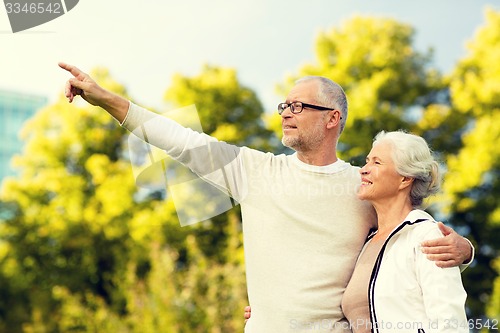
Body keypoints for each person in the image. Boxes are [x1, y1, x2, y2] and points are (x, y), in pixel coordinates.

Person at [59, 63, 473, 333]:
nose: (286, 112)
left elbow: (409, 234)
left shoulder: (362, 185)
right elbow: (181, 141)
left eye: (299, 105)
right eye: (284, 105)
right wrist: (107, 100)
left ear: (333, 119)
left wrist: (465, 248)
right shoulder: (255, 171)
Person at [341, 130, 468, 332]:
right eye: (367, 161)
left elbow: (450, 322)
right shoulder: (366, 242)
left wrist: (468, 250)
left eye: (377, 162)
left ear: (405, 179)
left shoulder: (426, 236)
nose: (363, 169)